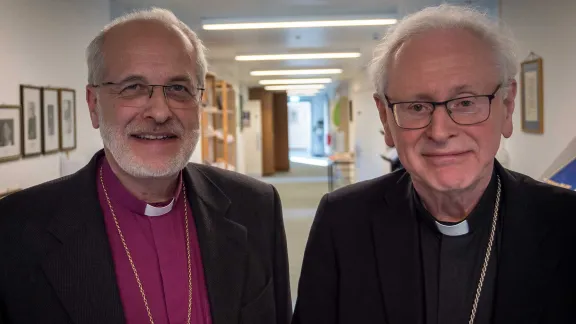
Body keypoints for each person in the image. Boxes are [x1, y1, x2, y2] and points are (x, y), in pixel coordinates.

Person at [0, 8, 291, 324]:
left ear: (199, 101)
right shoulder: (14, 230)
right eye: (133, 87)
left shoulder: (256, 206)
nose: (160, 112)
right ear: (94, 104)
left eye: (178, 88)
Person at [293, 4, 576, 324]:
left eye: (466, 102)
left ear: (507, 107)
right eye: (416, 106)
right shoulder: (343, 220)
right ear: (386, 118)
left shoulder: (567, 223)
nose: (440, 131)